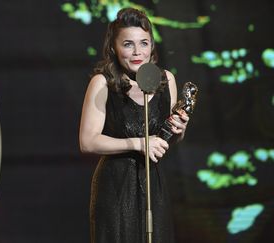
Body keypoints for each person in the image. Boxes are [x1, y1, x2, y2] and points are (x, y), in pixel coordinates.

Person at [79, 8, 189, 243]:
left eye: (144, 43)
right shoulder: (102, 83)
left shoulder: (165, 80)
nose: (138, 52)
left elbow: (165, 140)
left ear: (152, 46)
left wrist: (179, 129)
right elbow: (88, 141)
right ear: (113, 47)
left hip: (153, 185)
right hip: (116, 187)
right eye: (128, 44)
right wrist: (139, 144)